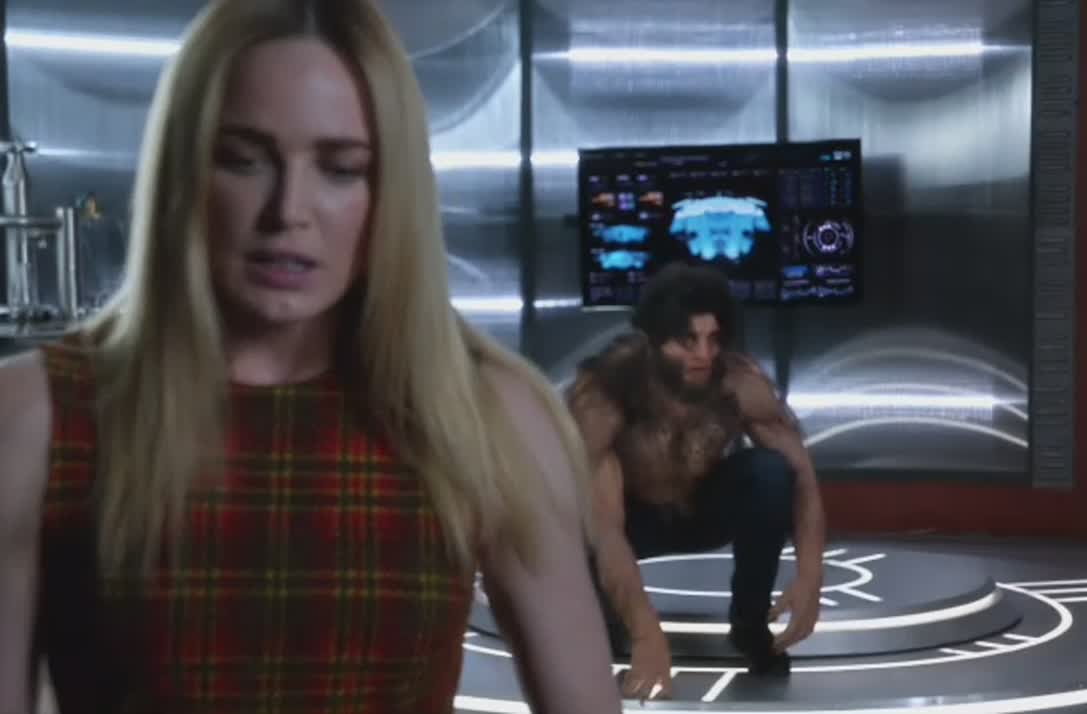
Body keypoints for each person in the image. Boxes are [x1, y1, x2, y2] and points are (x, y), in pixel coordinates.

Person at [0, 2, 621, 713]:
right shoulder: (37, 422)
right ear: (183, 171)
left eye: (340, 168)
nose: (288, 211)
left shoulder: (486, 415)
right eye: (243, 159)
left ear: (391, 191)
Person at [566, 262, 827, 700]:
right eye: (687, 341)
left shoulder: (738, 383)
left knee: (770, 474)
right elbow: (604, 527)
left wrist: (811, 576)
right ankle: (611, 620)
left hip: (698, 508)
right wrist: (646, 632)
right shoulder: (607, 392)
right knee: (579, 538)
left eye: (713, 339)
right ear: (653, 340)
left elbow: (803, 477)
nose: (704, 354)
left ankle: (749, 623)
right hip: (628, 521)